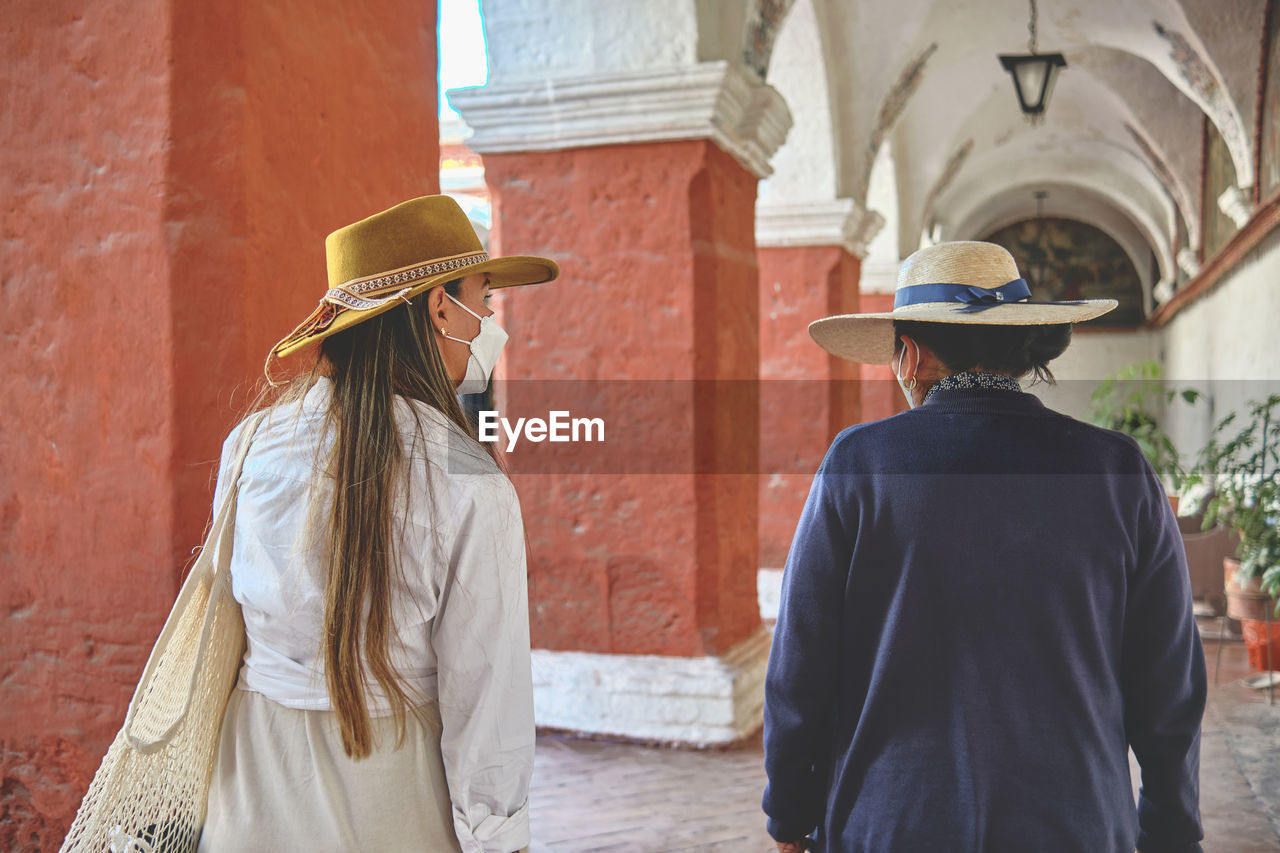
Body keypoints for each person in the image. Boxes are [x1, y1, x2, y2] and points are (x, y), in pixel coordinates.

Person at [762, 241, 1206, 853]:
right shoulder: (1117, 471)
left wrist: (789, 815)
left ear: (910, 356)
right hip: (1077, 824)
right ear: (1022, 349)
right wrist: (1171, 830)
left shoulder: (859, 464)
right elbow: (1168, 684)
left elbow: (800, 666)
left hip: (893, 822)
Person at [197, 195, 557, 853]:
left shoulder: (249, 443)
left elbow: (227, 617)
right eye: (485, 300)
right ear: (440, 306)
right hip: (395, 802)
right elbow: (487, 701)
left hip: (250, 790)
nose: (489, 325)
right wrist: (499, 837)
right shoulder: (469, 482)